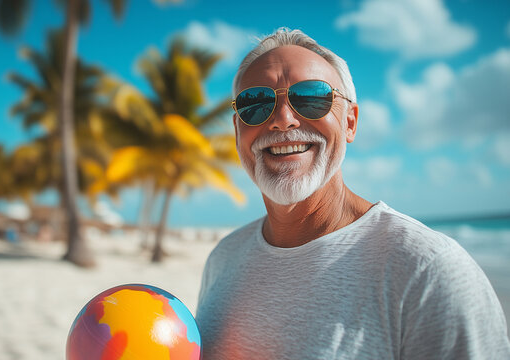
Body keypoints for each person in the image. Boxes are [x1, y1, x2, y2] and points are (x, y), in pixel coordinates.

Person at [195, 28, 510, 359]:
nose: (283, 120)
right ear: (237, 129)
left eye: (312, 97)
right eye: (255, 103)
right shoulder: (223, 259)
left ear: (350, 122)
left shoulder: (428, 270)